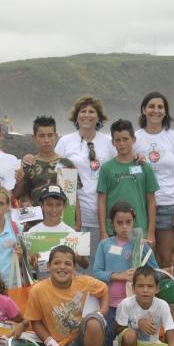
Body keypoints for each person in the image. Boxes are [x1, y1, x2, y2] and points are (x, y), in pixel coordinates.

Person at [24, 246, 109, 346]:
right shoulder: (38, 290)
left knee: (94, 321)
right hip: (64, 344)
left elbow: (104, 289)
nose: (62, 267)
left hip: (85, 333)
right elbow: (36, 322)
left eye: (68, 264)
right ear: (49, 266)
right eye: (57, 263)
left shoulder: (84, 282)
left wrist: (102, 312)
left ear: (74, 268)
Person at [55, 95, 116, 266]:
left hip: (101, 215)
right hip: (74, 215)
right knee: (76, 263)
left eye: (91, 111)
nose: (87, 115)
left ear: (98, 117)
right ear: (76, 116)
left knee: (98, 264)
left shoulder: (108, 142)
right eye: (83, 111)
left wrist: (138, 156)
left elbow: (121, 165)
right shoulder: (65, 142)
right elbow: (55, 173)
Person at [92, 202, 159, 346]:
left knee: (132, 341)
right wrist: (118, 275)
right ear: (112, 224)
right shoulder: (105, 244)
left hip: (133, 304)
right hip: (109, 304)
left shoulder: (141, 246)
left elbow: (156, 272)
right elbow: (96, 272)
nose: (124, 227)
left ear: (133, 222)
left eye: (128, 222)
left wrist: (141, 275)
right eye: (119, 223)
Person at [135, 92, 174, 266]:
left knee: (166, 257)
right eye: (151, 106)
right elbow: (128, 169)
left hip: (168, 204)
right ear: (144, 110)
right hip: (141, 205)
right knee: (143, 257)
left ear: (165, 112)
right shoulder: (135, 138)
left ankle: (165, 292)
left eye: (160, 107)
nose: (155, 110)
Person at [97, 119, 158, 244]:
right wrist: (103, 231)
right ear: (113, 142)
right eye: (118, 140)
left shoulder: (144, 167)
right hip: (113, 230)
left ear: (133, 139)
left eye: (125, 139)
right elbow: (102, 201)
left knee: (137, 263)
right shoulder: (106, 169)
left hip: (139, 229)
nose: (122, 143)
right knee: (116, 262)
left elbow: (151, 200)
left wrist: (151, 232)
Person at [16, 116, 82, 229]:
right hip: (34, 225)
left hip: (63, 224)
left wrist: (78, 223)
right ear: (34, 138)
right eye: (41, 136)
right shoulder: (29, 164)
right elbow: (19, 195)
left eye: (50, 135)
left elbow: (74, 197)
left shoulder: (67, 164)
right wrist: (21, 179)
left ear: (56, 137)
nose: (46, 140)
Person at [28, 185, 89, 278]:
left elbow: (85, 265)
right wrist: (32, 259)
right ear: (41, 205)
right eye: (49, 205)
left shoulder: (71, 232)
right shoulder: (32, 232)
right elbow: (29, 266)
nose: (54, 209)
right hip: (43, 286)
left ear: (64, 205)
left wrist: (77, 256)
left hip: (66, 286)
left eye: (58, 204)